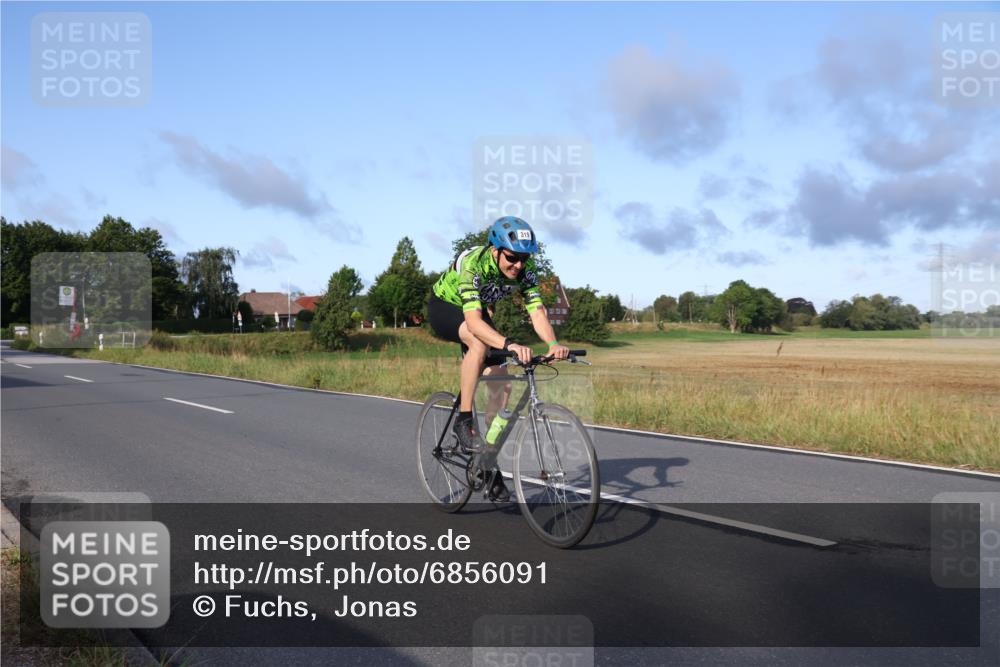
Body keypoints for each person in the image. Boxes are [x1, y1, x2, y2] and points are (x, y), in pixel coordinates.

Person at [428, 216, 570, 502]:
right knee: (479, 343)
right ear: (495, 250)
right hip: (447, 307)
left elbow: (537, 311)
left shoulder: (526, 271)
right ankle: (464, 420)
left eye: (523, 259)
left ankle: (486, 464)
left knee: (502, 385)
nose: (518, 265)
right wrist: (510, 343)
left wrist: (553, 344)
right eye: (512, 258)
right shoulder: (474, 263)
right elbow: (473, 322)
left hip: (479, 311)